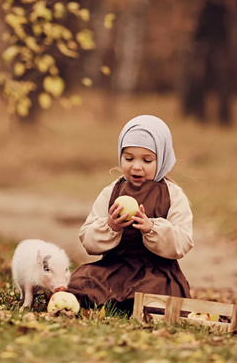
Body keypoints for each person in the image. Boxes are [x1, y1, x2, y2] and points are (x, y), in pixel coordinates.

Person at [67, 115, 193, 311]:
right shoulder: (112, 192)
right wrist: (111, 226)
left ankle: (128, 303)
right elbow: (88, 239)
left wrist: (152, 229)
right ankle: (121, 302)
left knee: (156, 293)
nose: (136, 166)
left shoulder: (172, 195)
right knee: (77, 283)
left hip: (155, 272)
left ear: (162, 160)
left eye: (147, 160)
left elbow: (183, 242)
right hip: (115, 268)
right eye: (129, 158)